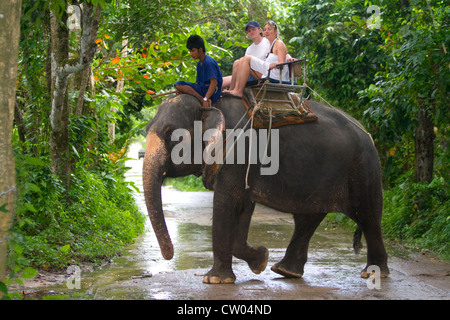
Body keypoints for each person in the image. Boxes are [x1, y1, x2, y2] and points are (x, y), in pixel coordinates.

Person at [225, 20, 290, 98]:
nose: (266, 31)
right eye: (265, 29)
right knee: (237, 62)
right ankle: (233, 89)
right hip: (267, 71)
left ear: (275, 31)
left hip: (275, 74)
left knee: (247, 58)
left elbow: (282, 61)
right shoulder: (270, 44)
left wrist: (284, 60)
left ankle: (239, 91)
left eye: (269, 29)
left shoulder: (279, 43)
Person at [175, 35, 223, 107]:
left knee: (180, 85)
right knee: (178, 84)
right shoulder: (199, 63)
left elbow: (214, 83)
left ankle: (202, 99)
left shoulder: (209, 62)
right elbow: (197, 83)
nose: (191, 54)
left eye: (193, 51)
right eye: (190, 51)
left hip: (212, 92)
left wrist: (206, 99)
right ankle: (201, 98)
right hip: (202, 88)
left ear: (200, 50)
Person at [222, 21, 270, 89]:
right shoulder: (249, 49)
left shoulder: (267, 42)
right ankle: (230, 90)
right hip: (249, 73)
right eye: (249, 31)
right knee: (221, 81)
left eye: (253, 29)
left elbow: (278, 51)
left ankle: (235, 89)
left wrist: (288, 57)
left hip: (262, 73)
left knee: (240, 62)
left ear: (260, 30)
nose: (251, 32)